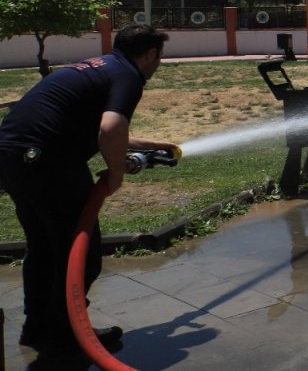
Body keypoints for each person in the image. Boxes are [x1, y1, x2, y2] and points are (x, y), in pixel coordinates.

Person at [0, 24, 179, 359]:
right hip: (49, 162)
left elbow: (98, 129)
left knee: (43, 246)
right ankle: (67, 337)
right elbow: (111, 127)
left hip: (12, 156)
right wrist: (115, 174)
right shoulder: (129, 74)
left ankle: (38, 327)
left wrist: (155, 145)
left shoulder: (96, 66)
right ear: (151, 54)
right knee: (81, 254)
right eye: (159, 58)